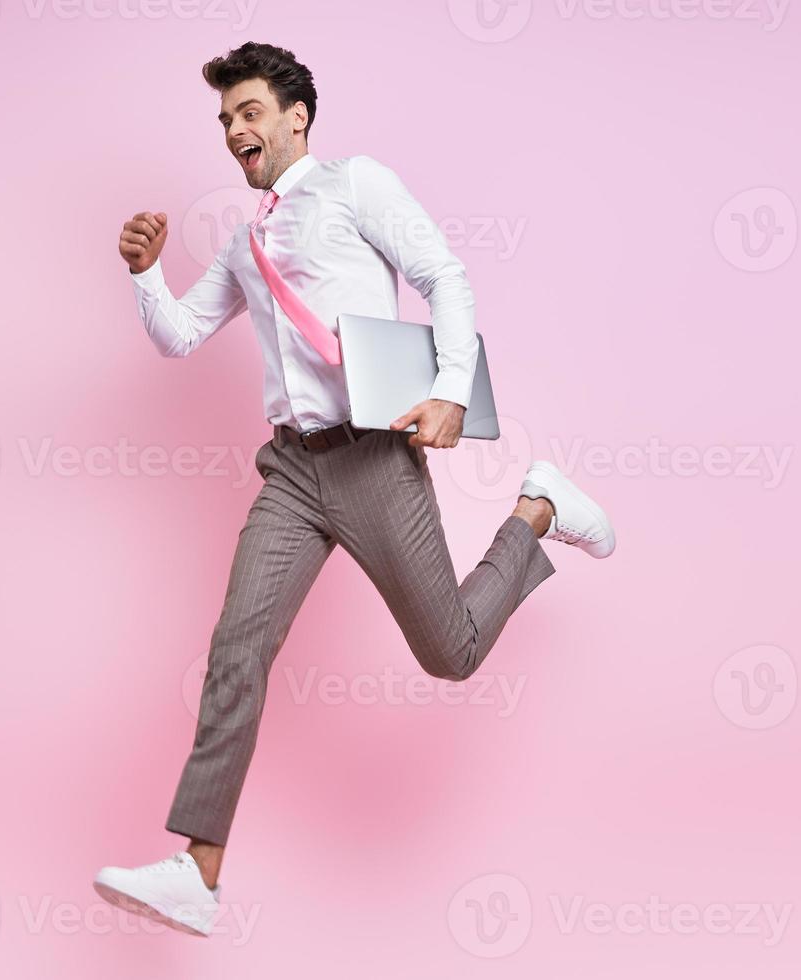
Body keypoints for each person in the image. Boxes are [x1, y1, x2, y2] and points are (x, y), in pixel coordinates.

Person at [93, 41, 615, 938]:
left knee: (448, 652)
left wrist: (451, 390)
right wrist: (145, 275)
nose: (234, 131)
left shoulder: (354, 184)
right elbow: (181, 336)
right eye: (224, 120)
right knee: (235, 648)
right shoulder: (245, 243)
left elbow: (442, 275)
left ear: (295, 116)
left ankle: (537, 508)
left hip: (374, 453)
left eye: (248, 111)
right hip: (292, 469)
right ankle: (198, 870)